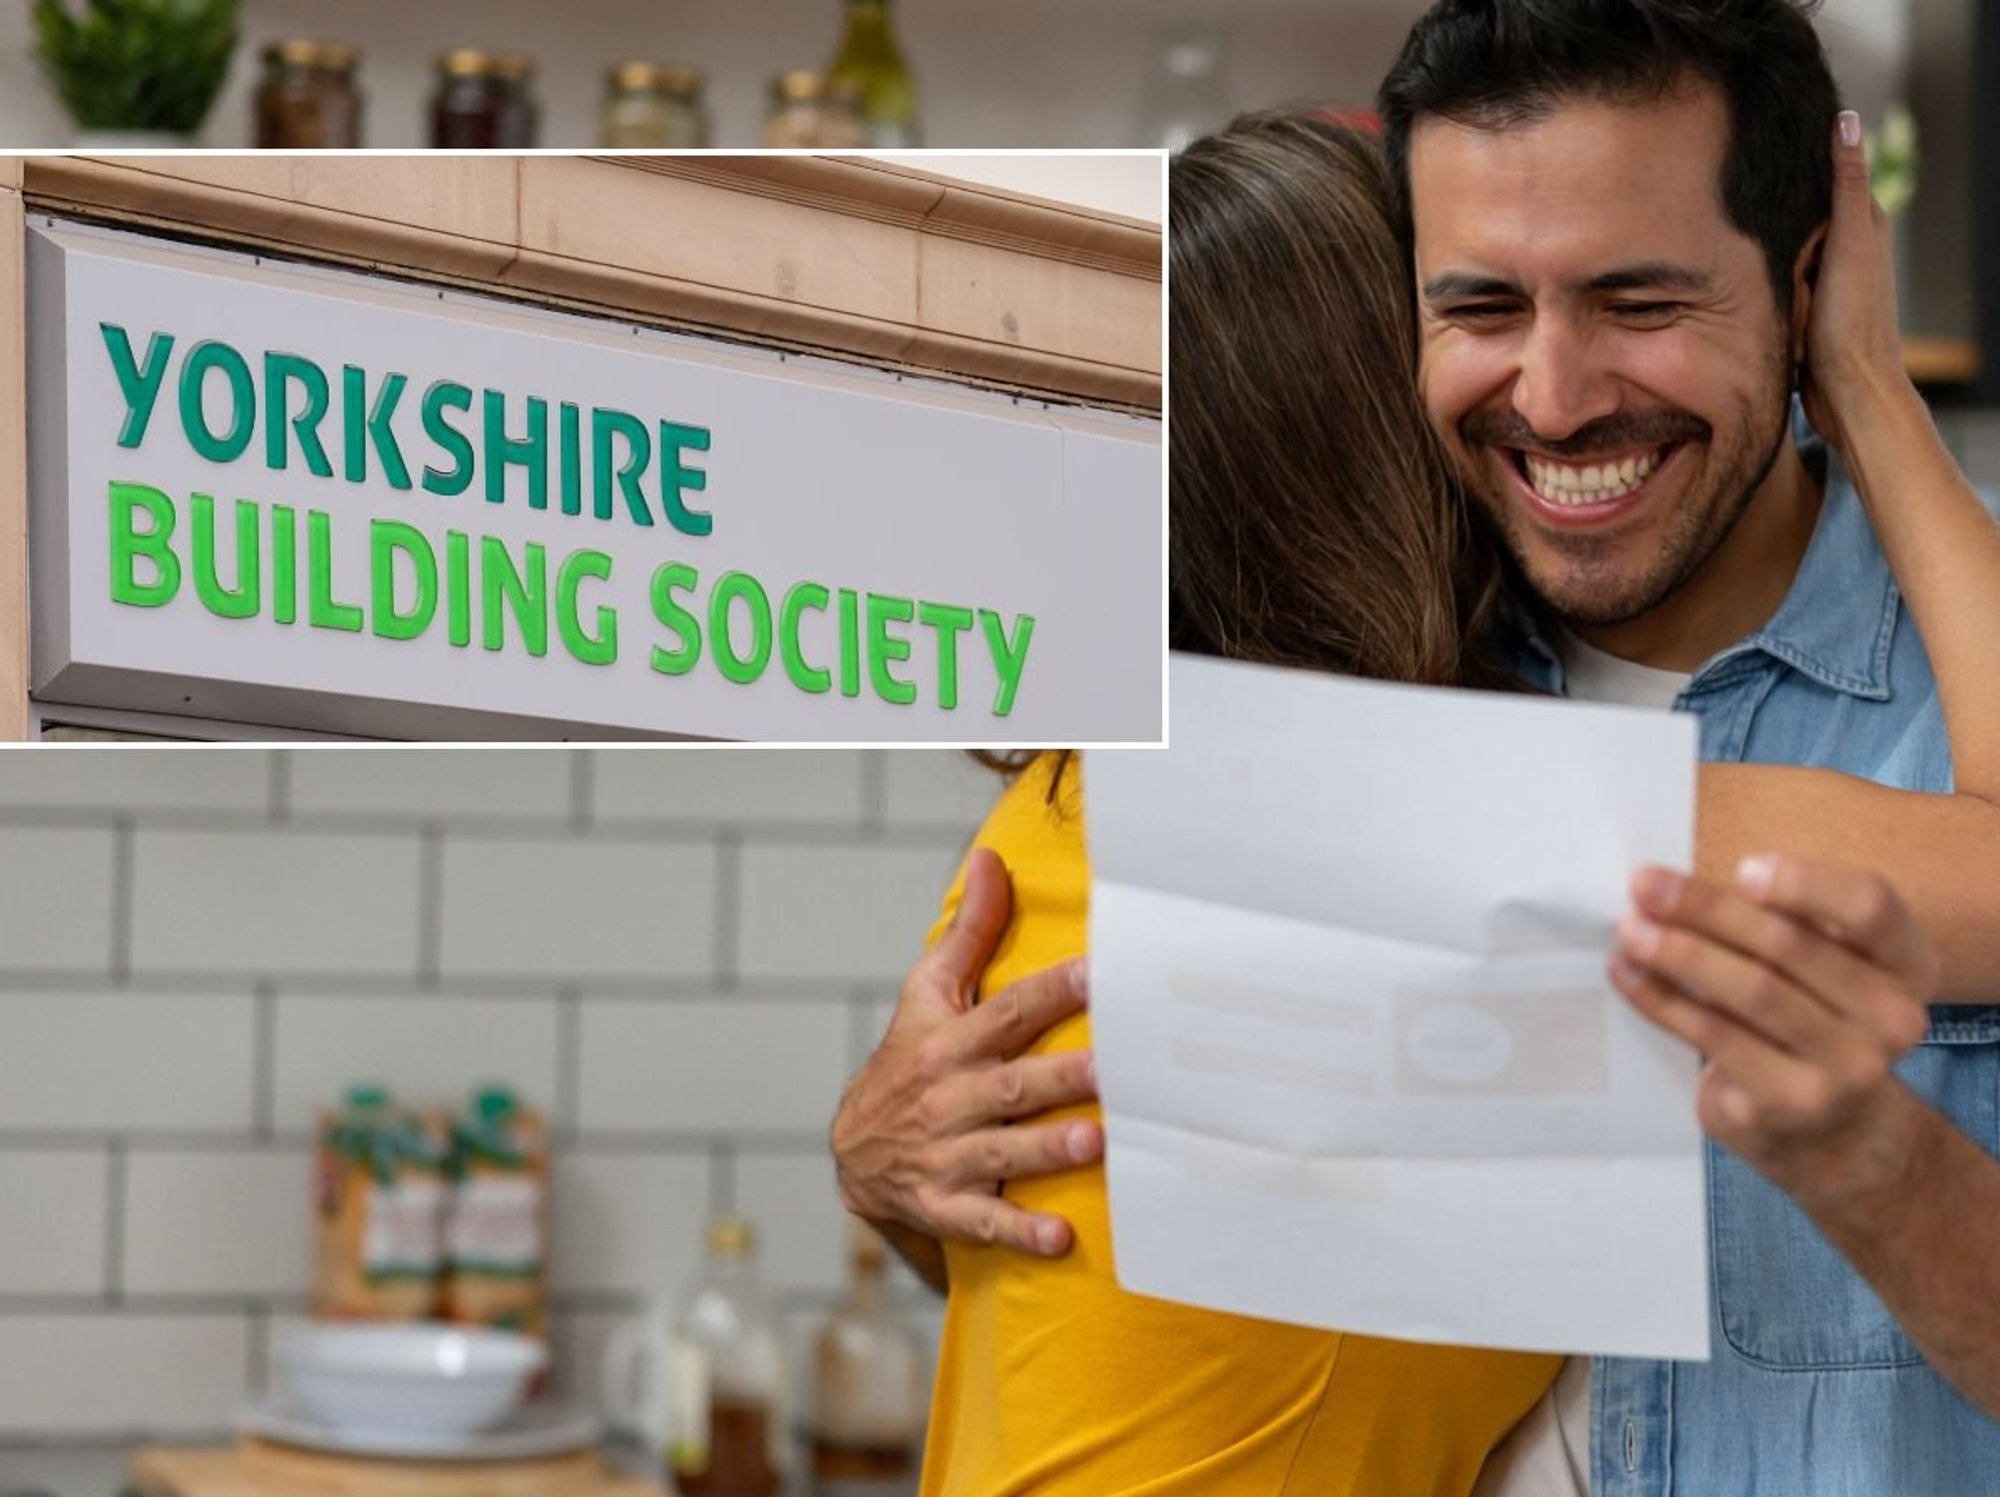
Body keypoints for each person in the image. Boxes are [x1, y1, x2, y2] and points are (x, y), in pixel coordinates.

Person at [834, 8, 2000, 1497]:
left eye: (1638, 299)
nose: (1556, 395)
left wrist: (1889, 1172)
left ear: (1804, 280)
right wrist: (877, 1161)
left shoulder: (1085, 787)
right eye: (1476, 308)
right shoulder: (1375, 783)